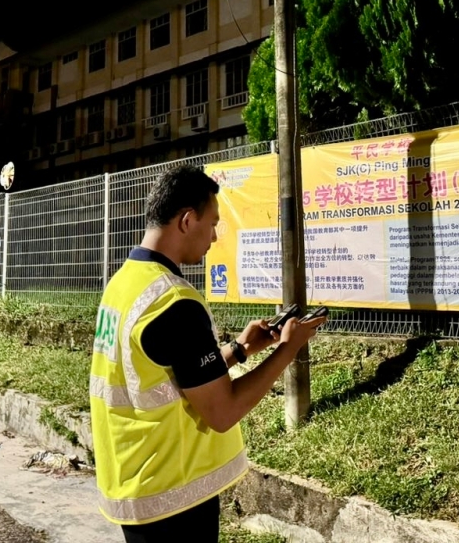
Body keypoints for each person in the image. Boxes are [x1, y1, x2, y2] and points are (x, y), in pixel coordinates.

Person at [90, 164, 325, 542]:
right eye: (213, 223)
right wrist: (287, 349)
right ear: (187, 220)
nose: (215, 237)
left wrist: (240, 349)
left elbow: (168, 375)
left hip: (135, 481)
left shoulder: (124, 283)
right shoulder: (174, 302)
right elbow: (223, 411)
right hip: (174, 494)